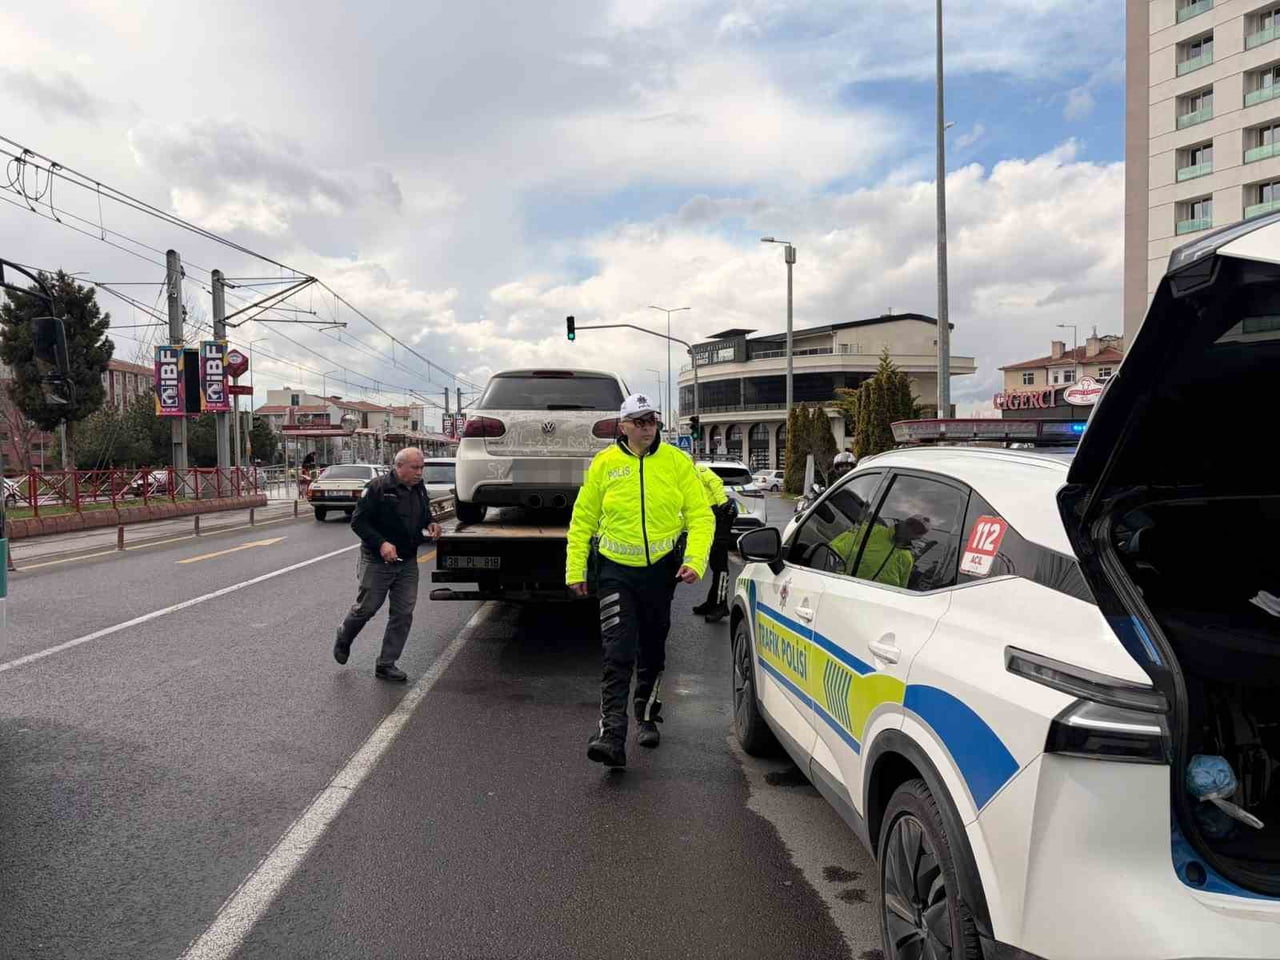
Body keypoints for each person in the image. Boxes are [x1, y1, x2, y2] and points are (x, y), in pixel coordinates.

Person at [566, 393, 715, 768]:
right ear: (623, 426)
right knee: (617, 652)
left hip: (660, 574)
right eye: (639, 421)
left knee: (652, 649)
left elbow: (700, 516)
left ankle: (646, 715)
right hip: (615, 572)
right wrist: (575, 569)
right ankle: (611, 734)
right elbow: (582, 519)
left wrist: (695, 560)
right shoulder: (604, 464)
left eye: (652, 420)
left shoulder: (678, 463)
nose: (647, 427)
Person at [333, 447, 442, 681]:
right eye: (415, 467)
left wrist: (431, 523)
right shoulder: (377, 488)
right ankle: (345, 634)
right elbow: (358, 523)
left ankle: (386, 663)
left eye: (422, 467)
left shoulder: (419, 489)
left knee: (403, 613)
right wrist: (382, 543)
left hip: (407, 561)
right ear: (399, 466)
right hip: (377, 560)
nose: (420, 472)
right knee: (367, 608)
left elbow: (424, 515)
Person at [691, 461, 737, 623]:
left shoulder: (698, 469)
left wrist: (722, 503)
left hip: (719, 514)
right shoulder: (685, 476)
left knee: (720, 563)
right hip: (709, 516)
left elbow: (715, 481)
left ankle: (720, 605)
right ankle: (712, 601)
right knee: (713, 562)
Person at [830, 514, 931, 588]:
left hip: (875, 605)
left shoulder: (907, 559)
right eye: (911, 524)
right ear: (903, 522)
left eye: (917, 530)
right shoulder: (871, 531)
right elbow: (834, 550)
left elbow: (900, 590)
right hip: (844, 587)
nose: (910, 530)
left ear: (917, 537)